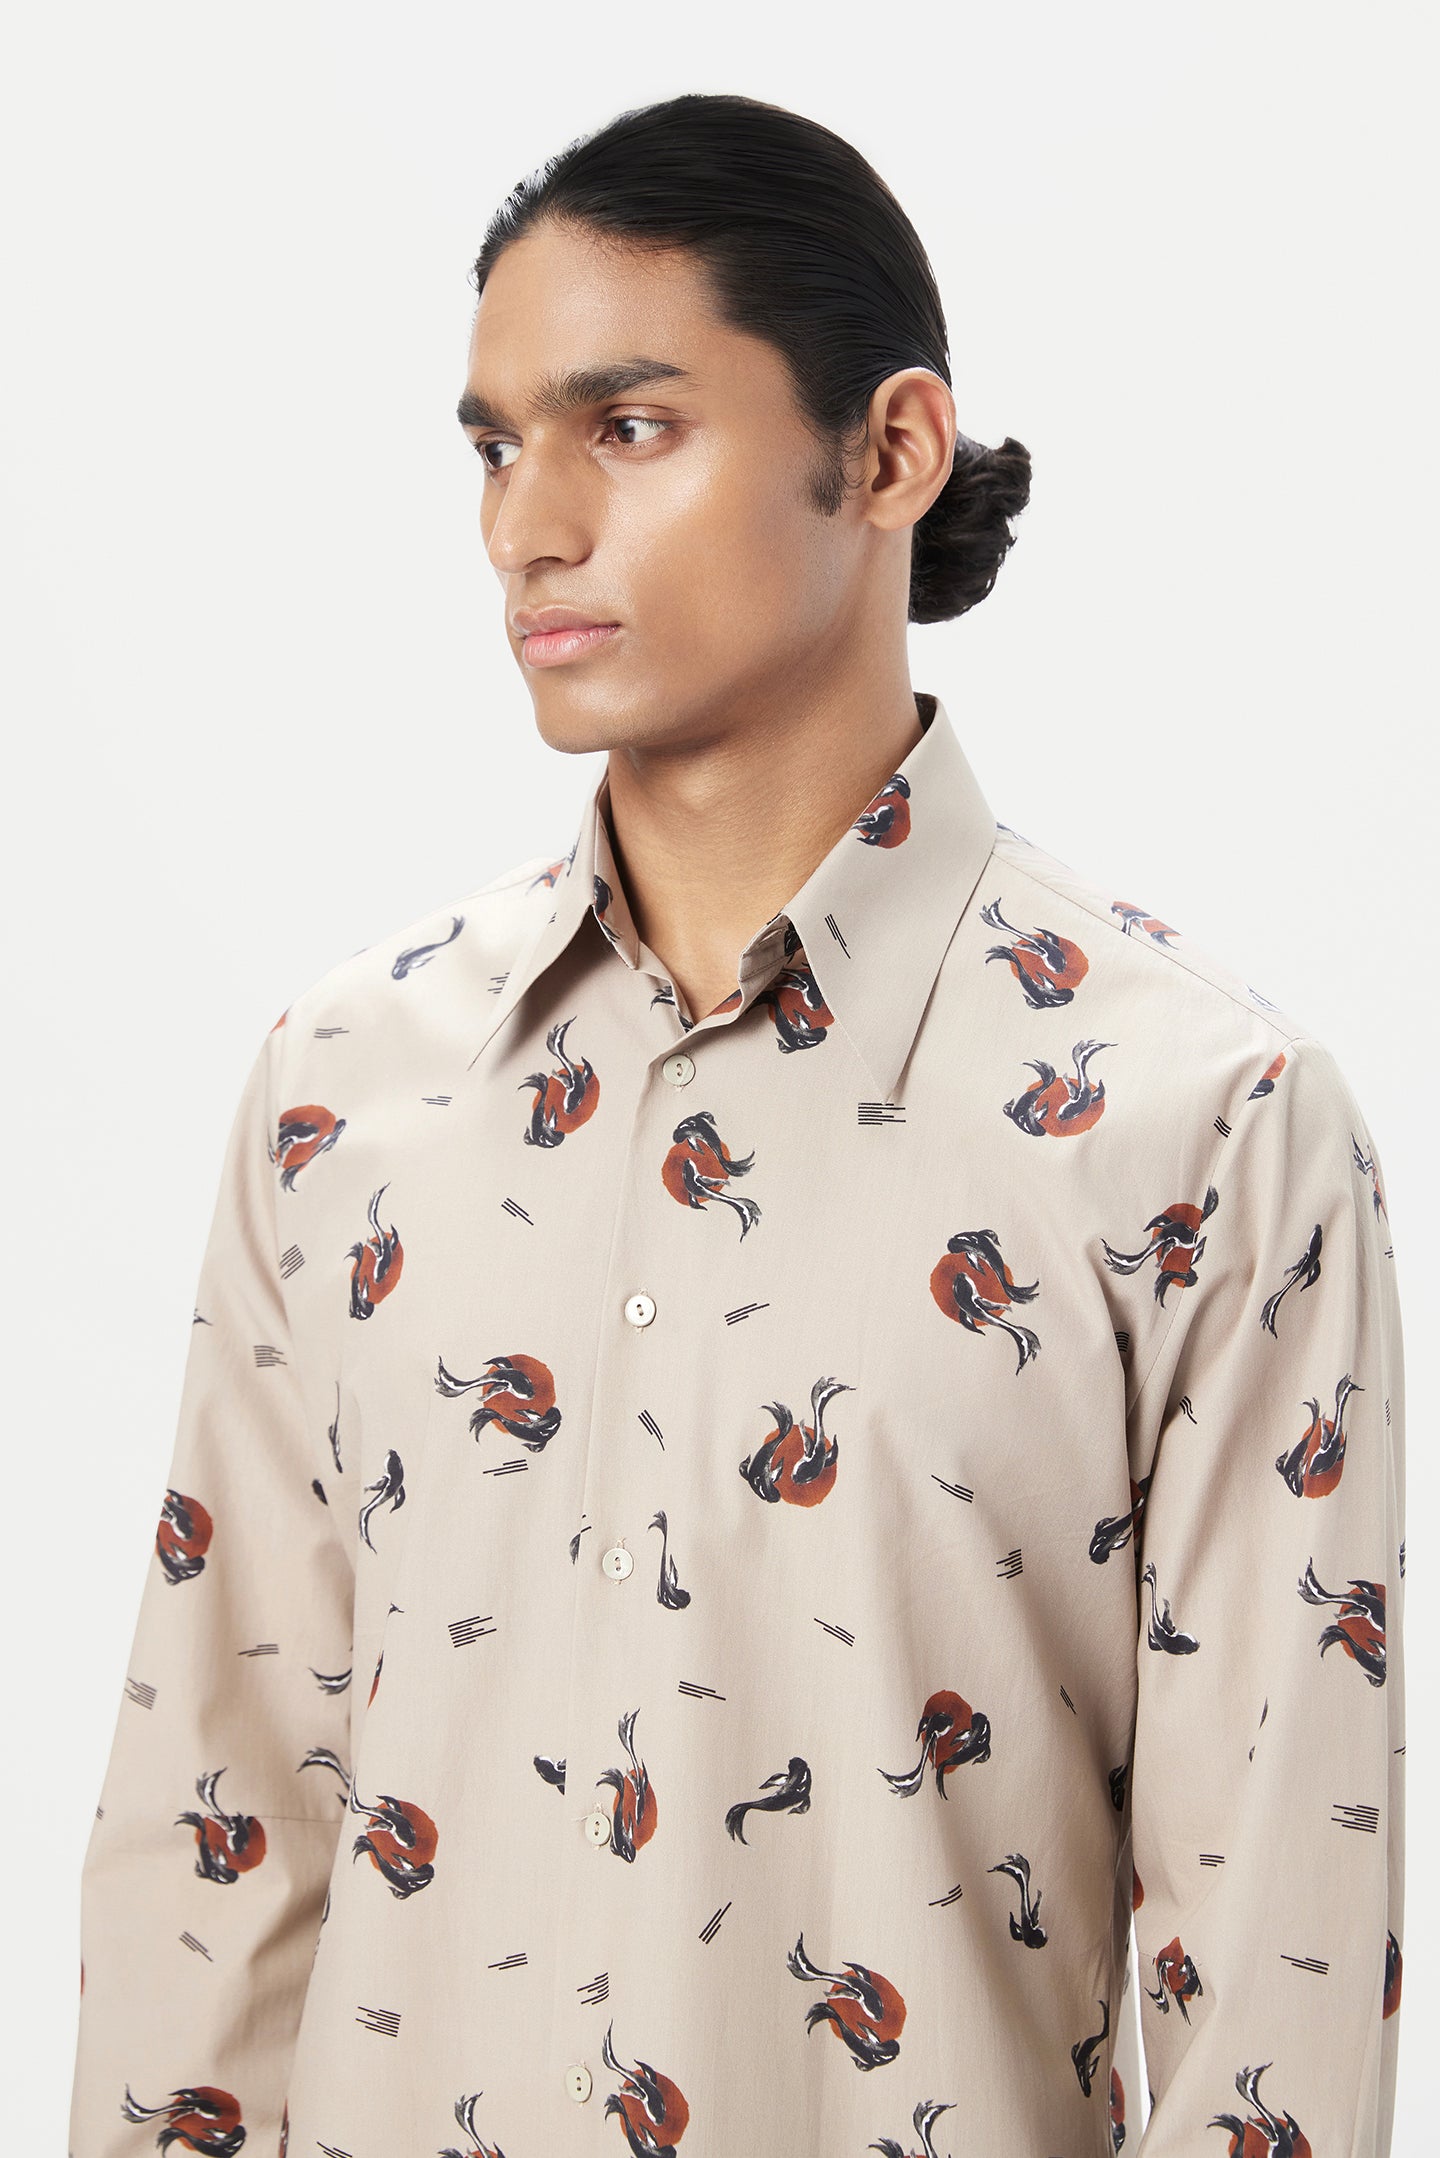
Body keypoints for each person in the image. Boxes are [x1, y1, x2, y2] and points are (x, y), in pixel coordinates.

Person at [69, 90, 1405, 2157]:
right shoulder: (344, 1094)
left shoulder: (1206, 1132)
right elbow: (217, 1844)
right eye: (494, 446)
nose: (527, 526)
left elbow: (1271, 1990)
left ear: (890, 451)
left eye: (628, 425)